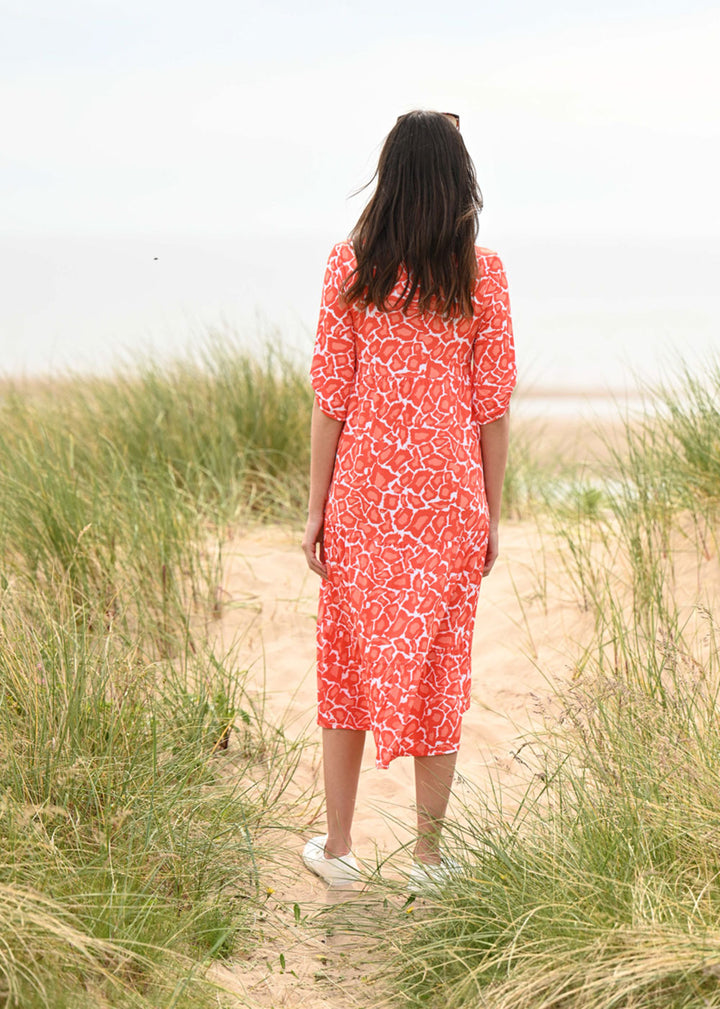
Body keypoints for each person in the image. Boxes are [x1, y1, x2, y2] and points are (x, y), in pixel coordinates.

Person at [300, 109, 516, 890]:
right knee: (440, 669)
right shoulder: (481, 273)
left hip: (363, 496)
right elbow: (491, 407)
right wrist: (491, 511)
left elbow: (332, 398)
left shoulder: (348, 267)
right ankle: (427, 857)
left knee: (347, 664)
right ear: (459, 182)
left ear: (390, 177)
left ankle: (340, 848)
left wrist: (316, 508)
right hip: (449, 498)